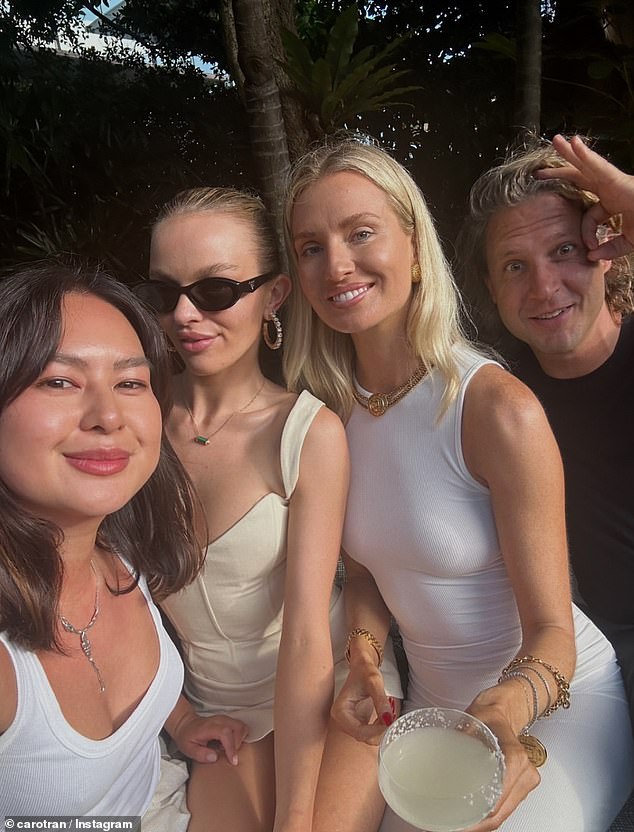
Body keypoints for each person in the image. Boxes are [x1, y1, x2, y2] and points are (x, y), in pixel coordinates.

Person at [283, 138, 634, 832]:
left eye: (360, 234)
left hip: (552, 707)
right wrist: (364, 660)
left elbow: (554, 633)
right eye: (310, 247)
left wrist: (499, 713)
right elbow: (366, 576)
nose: (338, 264)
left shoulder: (497, 409)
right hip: (429, 713)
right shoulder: (326, 413)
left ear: (415, 247)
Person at [136, 187, 402, 832]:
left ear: (273, 296)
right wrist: (179, 718)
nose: (184, 315)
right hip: (215, 706)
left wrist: (295, 817)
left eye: (216, 290)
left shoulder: (306, 433)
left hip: (331, 687)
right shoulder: (131, 419)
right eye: (163, 293)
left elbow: (309, 635)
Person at [0, 263, 248, 821]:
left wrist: (180, 721)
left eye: (131, 382)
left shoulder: (117, 547)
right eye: (59, 381)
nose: (109, 415)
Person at [457, 134, 634, 729]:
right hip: (587, 661)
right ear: (491, 289)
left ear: (607, 247)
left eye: (564, 249)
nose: (543, 286)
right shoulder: (496, 402)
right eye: (515, 267)